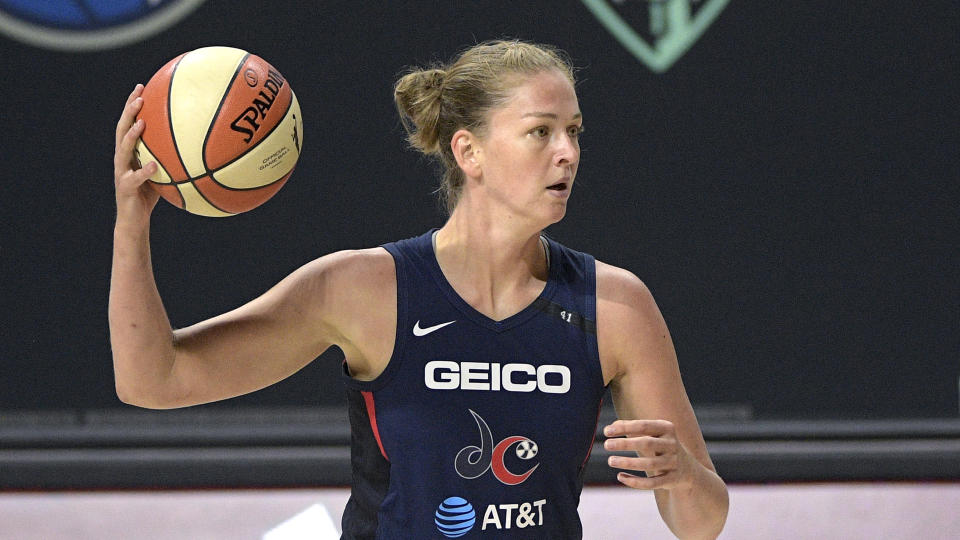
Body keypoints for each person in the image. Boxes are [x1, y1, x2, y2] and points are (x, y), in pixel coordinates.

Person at [111, 39, 728, 539]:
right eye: (541, 132)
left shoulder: (614, 305)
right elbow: (153, 380)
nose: (568, 153)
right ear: (469, 152)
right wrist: (131, 222)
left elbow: (703, 523)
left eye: (575, 131)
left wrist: (681, 478)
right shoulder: (362, 289)